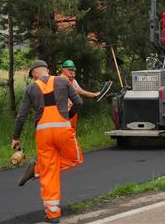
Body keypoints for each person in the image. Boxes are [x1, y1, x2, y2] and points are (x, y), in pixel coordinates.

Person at [12, 60, 83, 223]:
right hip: (62, 130)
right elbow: (78, 102)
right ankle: (36, 170)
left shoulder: (30, 88)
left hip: (42, 133)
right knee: (76, 158)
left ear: (35, 73)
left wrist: (15, 138)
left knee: (49, 171)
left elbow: (21, 116)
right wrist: (67, 113)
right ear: (47, 70)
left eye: (32, 75)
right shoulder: (63, 81)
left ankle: (53, 215)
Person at [59, 59, 101, 129]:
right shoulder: (62, 79)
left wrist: (94, 94)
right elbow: (78, 91)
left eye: (73, 70)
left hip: (72, 110)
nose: (72, 72)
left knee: (72, 130)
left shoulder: (72, 80)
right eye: (69, 70)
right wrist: (93, 95)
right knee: (66, 130)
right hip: (64, 111)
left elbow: (80, 90)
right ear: (63, 70)